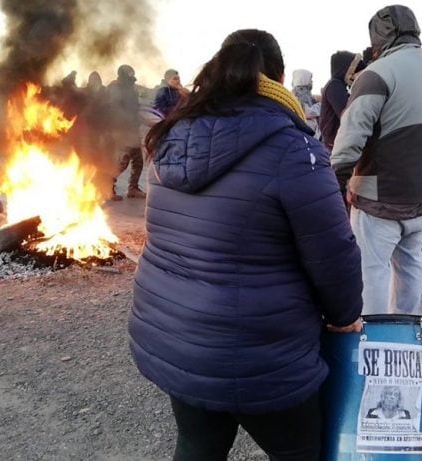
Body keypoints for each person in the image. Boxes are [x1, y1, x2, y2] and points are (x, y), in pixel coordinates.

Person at [129, 28, 364, 461]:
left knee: (198, 444)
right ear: (276, 77)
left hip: (180, 341)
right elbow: (333, 252)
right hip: (264, 358)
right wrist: (346, 315)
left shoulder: (172, 138)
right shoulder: (294, 149)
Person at [330, 5, 422, 315]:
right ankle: (405, 334)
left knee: (372, 271)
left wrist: (336, 181)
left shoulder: (377, 74)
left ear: (379, 36)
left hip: (378, 196)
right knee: (411, 266)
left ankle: (373, 337)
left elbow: (350, 137)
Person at [108, 64, 146, 200]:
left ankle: (133, 188)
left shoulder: (131, 88)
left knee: (138, 160)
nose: (131, 81)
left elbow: (135, 107)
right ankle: (107, 187)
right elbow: (114, 109)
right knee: (122, 162)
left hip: (132, 129)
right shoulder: (115, 88)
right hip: (121, 129)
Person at [319, 50, 363, 152]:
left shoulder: (338, 85)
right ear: (346, 69)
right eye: (354, 70)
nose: (355, 74)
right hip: (334, 145)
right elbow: (347, 114)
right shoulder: (335, 86)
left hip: (333, 143)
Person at [290, 69, 321, 139]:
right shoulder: (300, 93)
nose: (312, 81)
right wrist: (321, 105)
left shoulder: (304, 93)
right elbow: (307, 112)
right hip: (306, 132)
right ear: (304, 78)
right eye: (310, 79)